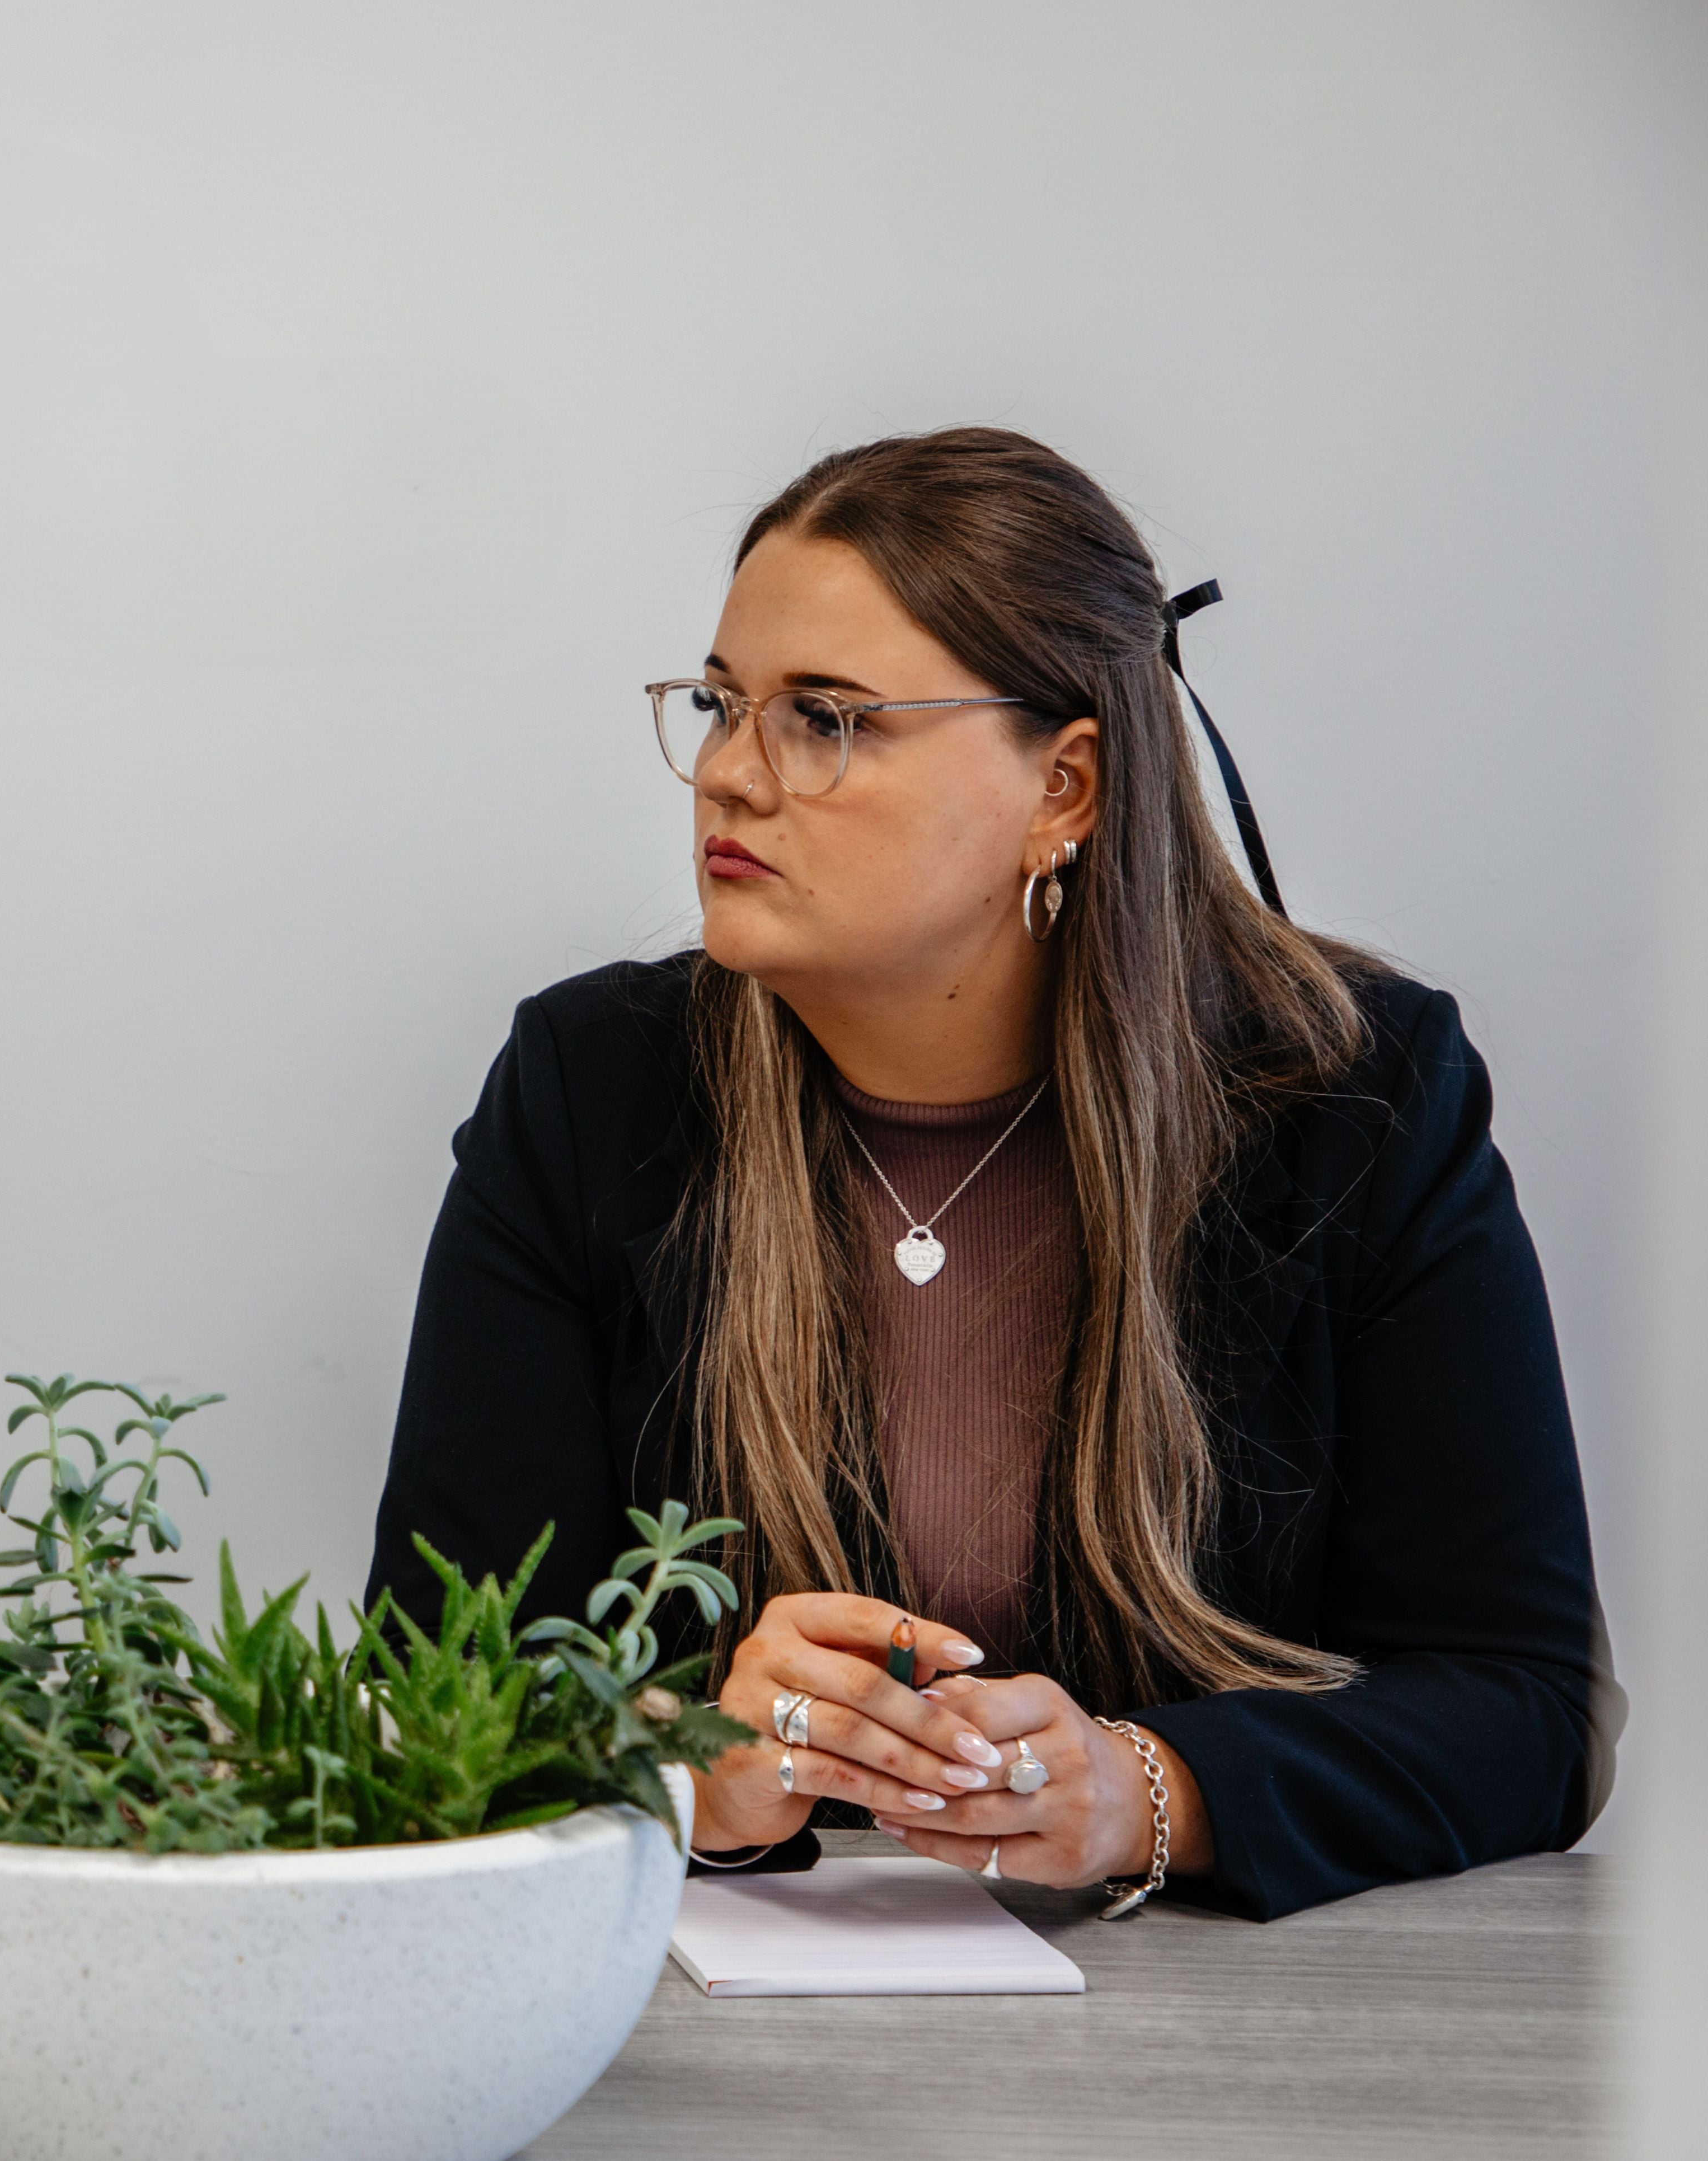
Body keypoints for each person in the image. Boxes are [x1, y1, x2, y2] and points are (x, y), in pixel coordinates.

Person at [368, 427, 1615, 1921]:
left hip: (1225, 2029)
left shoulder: (1354, 1098)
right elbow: (423, 1692)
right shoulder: (592, 1088)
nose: (728, 776)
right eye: (719, 705)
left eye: (826, 719)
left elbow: (1524, 1708)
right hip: (724, 2016)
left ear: (1065, 787)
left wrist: (1150, 1791)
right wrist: (683, 1765)